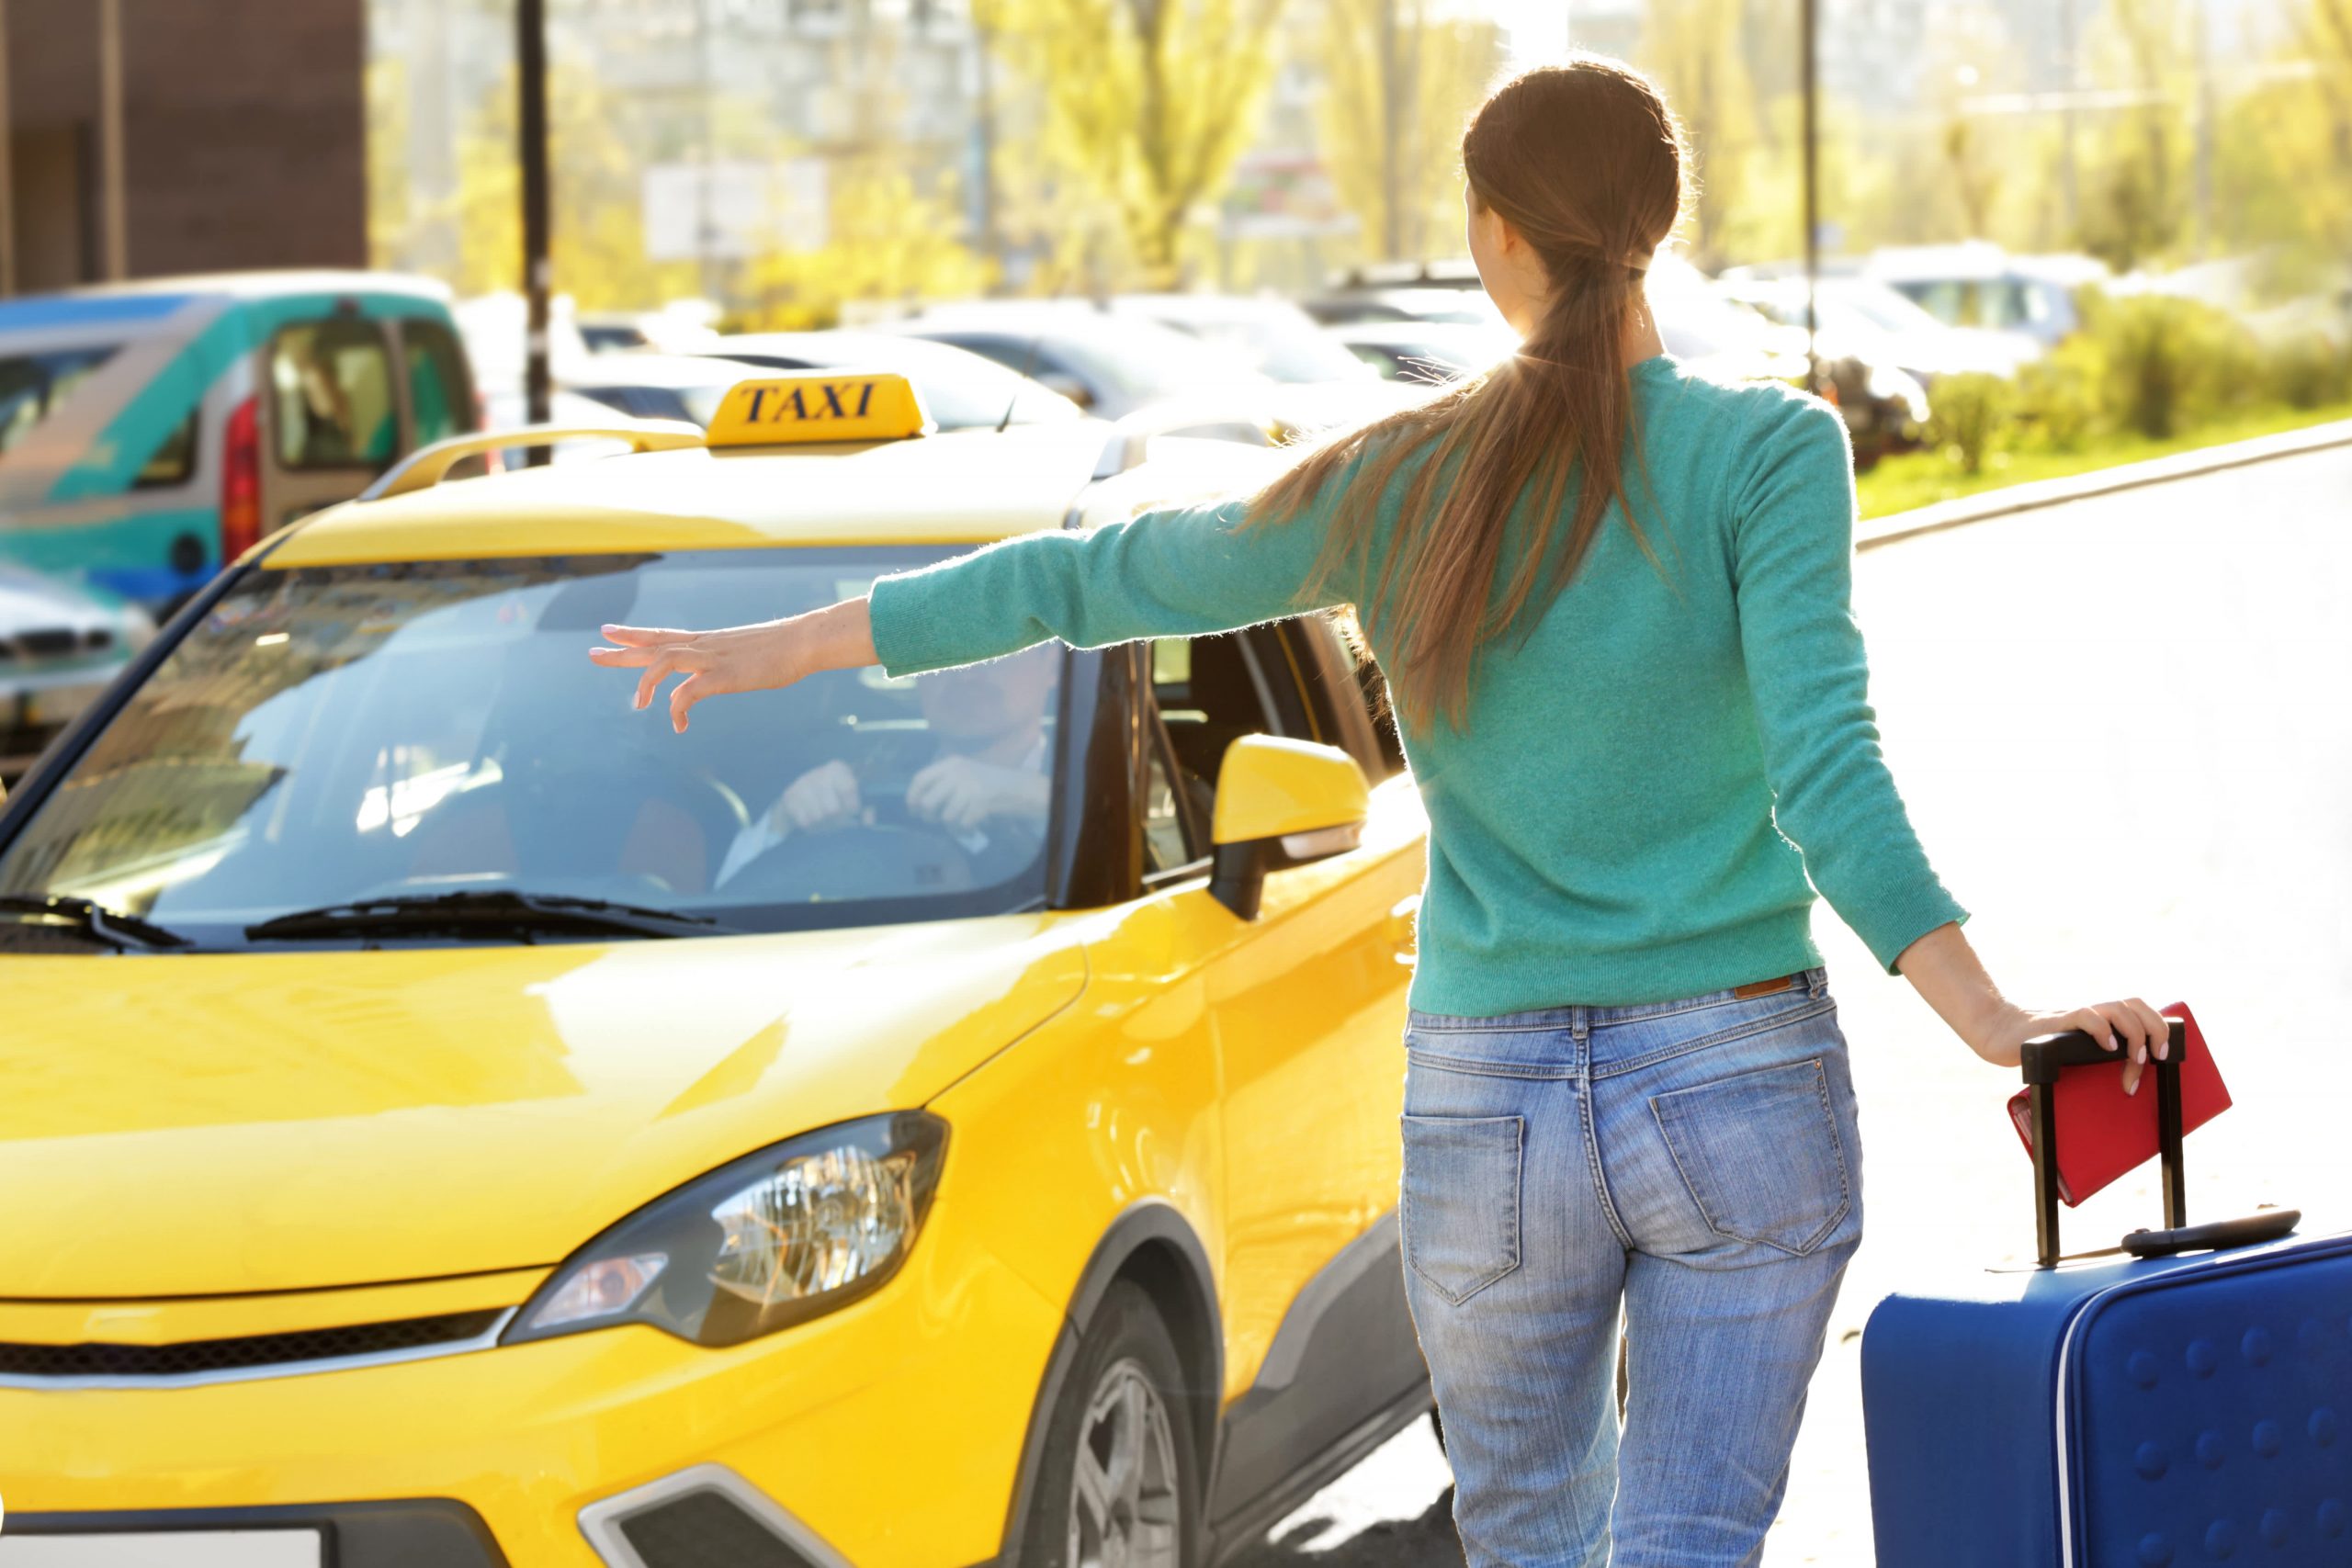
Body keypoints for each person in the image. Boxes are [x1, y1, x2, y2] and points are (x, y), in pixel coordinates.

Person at [591, 57, 2172, 1568]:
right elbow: (1827, 771)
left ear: (1493, 238)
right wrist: (1994, 1014)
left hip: (1489, 1102)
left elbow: (1096, 574)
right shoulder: (1770, 452)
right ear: (1660, 228)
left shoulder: (1401, 477)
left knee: (1538, 1546)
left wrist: (794, 645)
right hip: (1733, 1078)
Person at [711, 645, 1056, 890]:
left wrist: (1039, 799)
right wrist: (784, 820)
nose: (964, 674)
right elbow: (725, 898)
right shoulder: (865, 772)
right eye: (940, 653)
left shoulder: (1098, 770)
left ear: (1052, 664)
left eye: (994, 651)